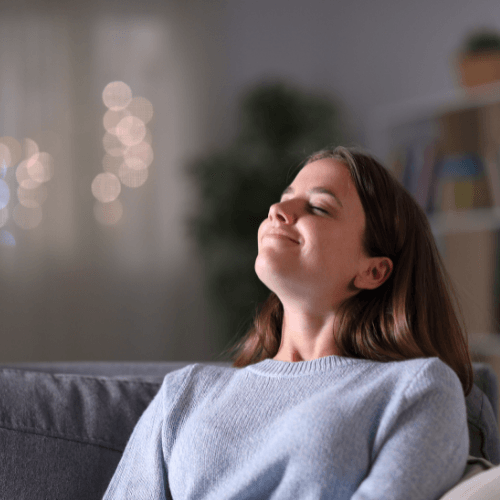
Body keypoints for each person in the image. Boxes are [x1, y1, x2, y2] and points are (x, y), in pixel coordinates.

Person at [103, 146, 473, 500]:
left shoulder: (418, 390)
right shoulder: (184, 393)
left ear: (373, 270)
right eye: (285, 196)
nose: (277, 209)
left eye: (318, 207)